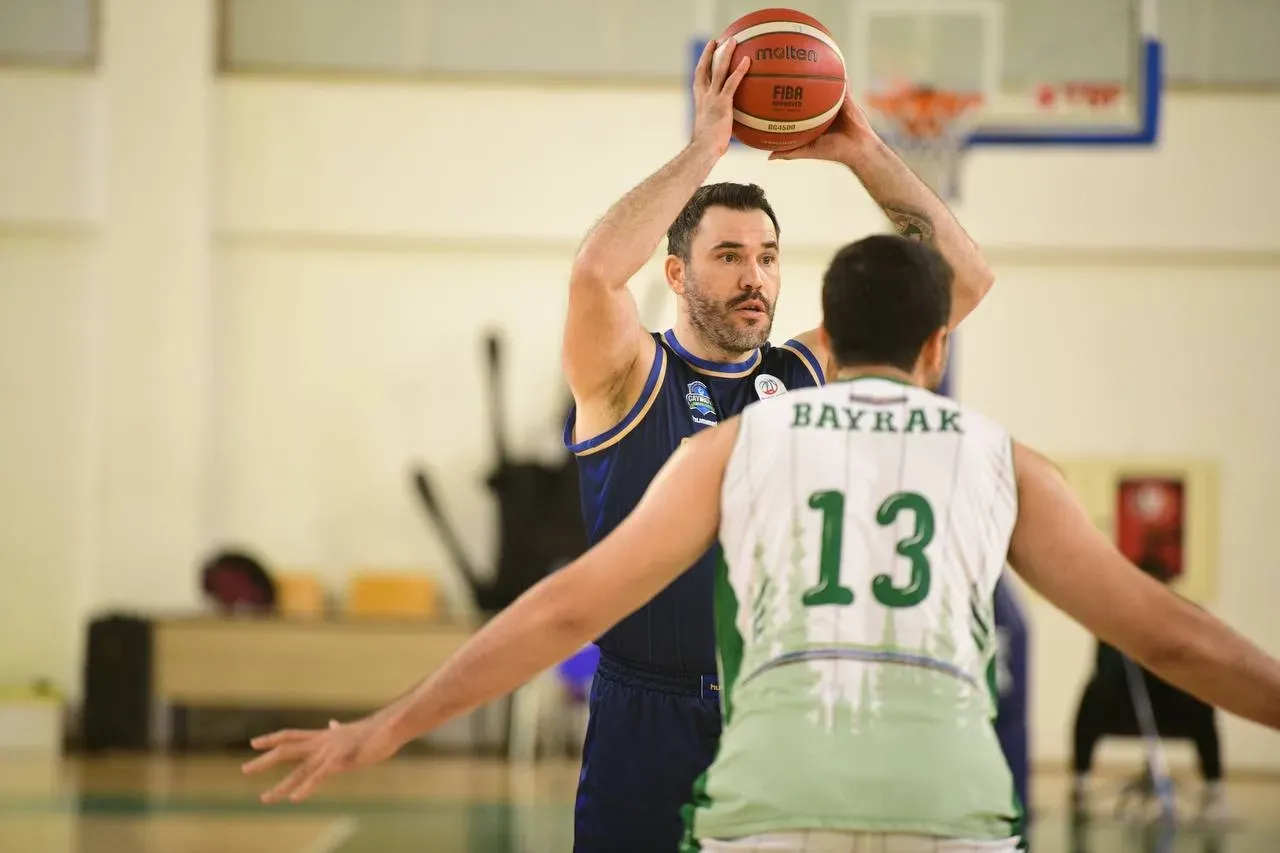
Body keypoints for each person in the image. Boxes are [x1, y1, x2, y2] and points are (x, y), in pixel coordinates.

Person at [241, 234, 1280, 852]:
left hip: (776, 803)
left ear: (822, 332)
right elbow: (1169, 636)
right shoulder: (1005, 461)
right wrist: (858, 141)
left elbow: (568, 607)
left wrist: (389, 724)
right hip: (947, 809)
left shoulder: (738, 444)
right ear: (936, 348)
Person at [554, 36, 993, 851]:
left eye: (767, 256)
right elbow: (594, 274)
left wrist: (862, 149)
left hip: (780, 710)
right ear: (677, 275)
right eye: (728, 256)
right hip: (646, 715)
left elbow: (962, 279)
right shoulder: (627, 374)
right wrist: (706, 148)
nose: (754, 276)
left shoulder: (809, 371)